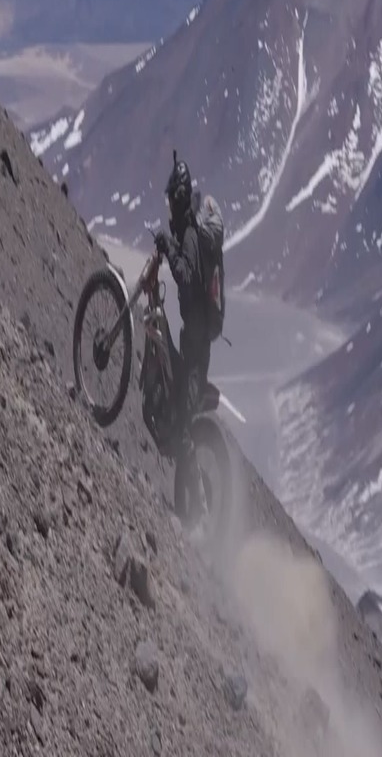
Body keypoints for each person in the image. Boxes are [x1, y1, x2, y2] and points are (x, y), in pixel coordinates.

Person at [153, 153, 209, 521]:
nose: (170, 206)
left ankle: (202, 512)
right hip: (193, 334)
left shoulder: (189, 236)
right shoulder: (188, 231)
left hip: (197, 341)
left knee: (186, 423)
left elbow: (186, 275)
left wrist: (168, 247)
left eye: (172, 198)